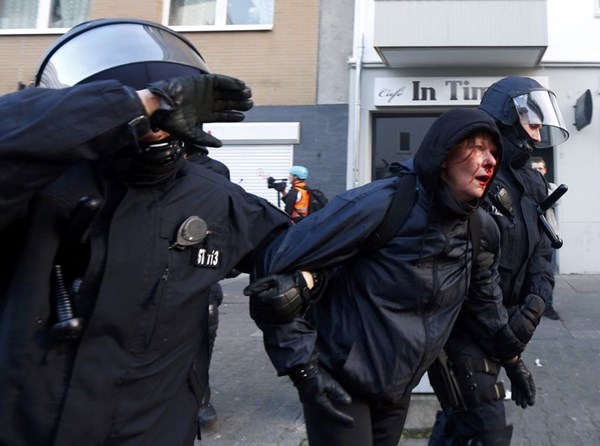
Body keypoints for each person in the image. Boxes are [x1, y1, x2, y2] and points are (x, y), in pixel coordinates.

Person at [0, 18, 291, 445]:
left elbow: (298, 247)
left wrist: (304, 282)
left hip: (153, 426)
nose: (157, 127)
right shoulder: (34, 187)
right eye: (151, 112)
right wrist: (139, 103)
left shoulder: (215, 194)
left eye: (169, 113)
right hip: (28, 424)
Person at [242, 108, 535, 446]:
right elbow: (273, 276)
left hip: (398, 388)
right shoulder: (379, 204)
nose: (490, 161)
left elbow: (486, 304)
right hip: (341, 381)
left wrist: (512, 359)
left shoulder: (480, 229)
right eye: (476, 148)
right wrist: (303, 370)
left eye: (493, 152)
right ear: (443, 156)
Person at [428, 76, 570, 445]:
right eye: (532, 123)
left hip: (503, 327)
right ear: (507, 116)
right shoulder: (474, 177)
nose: (537, 135)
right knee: (487, 430)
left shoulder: (533, 183)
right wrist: (509, 350)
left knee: (459, 424)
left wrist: (531, 312)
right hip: (461, 329)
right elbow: (472, 271)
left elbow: (543, 253)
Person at [530, 156, 561, 319]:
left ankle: (548, 305)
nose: (537, 171)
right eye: (534, 169)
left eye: (540, 168)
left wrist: (538, 187)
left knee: (548, 273)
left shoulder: (551, 187)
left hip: (548, 237)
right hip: (531, 236)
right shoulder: (524, 185)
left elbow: (556, 201)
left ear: (545, 170)